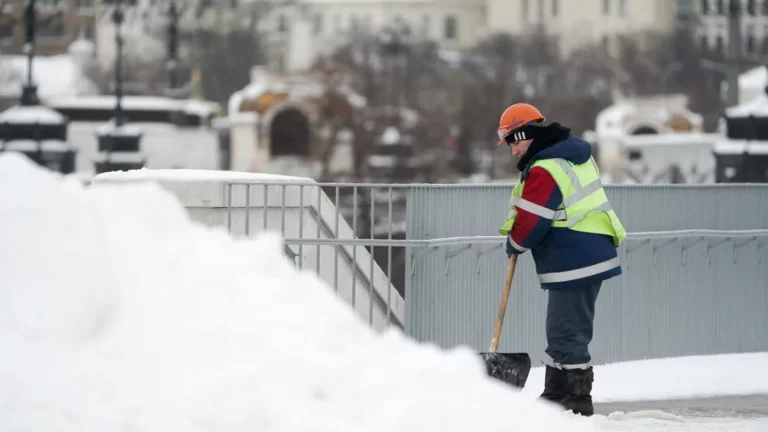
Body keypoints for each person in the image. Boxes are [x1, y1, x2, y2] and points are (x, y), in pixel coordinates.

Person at [496, 103, 626, 417]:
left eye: (513, 142)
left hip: (575, 259)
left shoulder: (546, 167)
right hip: (584, 254)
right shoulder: (570, 157)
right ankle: (555, 393)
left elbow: (534, 220)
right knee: (561, 329)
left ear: (524, 133)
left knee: (568, 332)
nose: (513, 152)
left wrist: (515, 242)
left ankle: (577, 401)